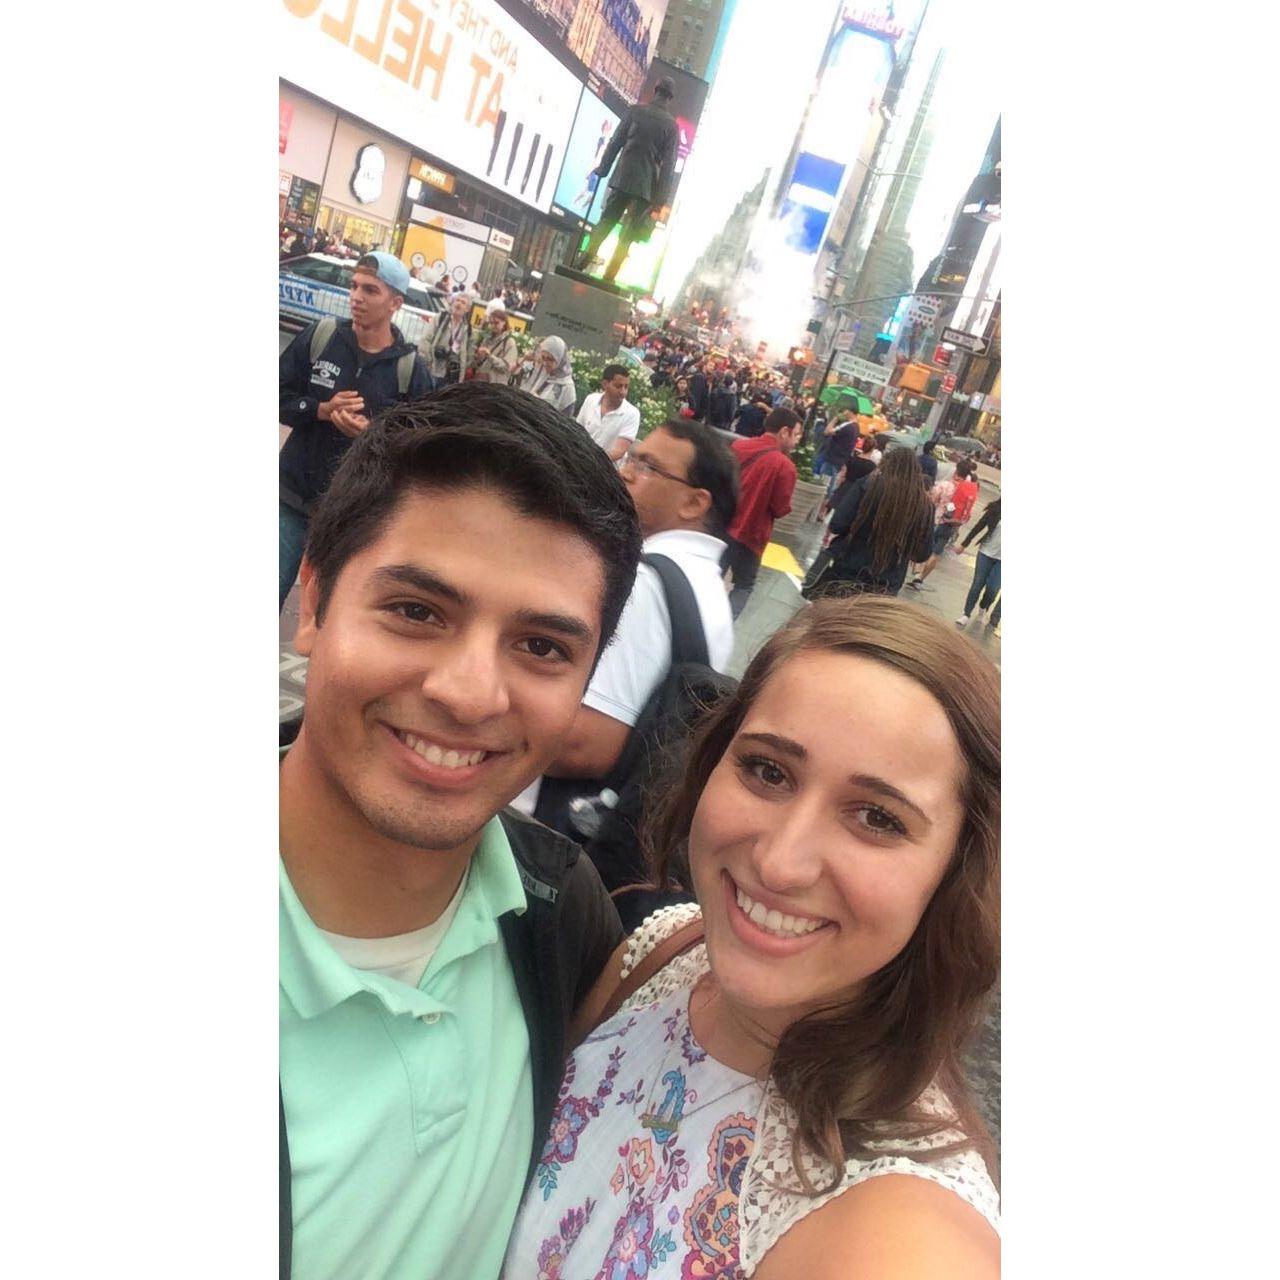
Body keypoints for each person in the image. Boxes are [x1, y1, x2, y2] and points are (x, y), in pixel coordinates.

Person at [503, 596, 1000, 1279]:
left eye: (877, 818)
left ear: (959, 871)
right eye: (768, 770)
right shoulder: (664, 953)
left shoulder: (902, 1238)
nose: (779, 862)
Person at [279, 383, 645, 1280]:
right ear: (313, 603)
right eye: (416, 611)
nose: (470, 692)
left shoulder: (558, 908)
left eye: (542, 647)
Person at [520, 421, 739, 864]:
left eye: (648, 466)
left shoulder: (646, 581)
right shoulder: (706, 584)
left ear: (695, 502)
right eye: (632, 458)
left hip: (543, 828)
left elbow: (587, 744)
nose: (626, 472)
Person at [279, 251, 432, 611]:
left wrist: (371, 437)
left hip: (354, 520)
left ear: (395, 303)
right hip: (291, 500)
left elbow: (423, 450)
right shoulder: (322, 337)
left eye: (370, 290)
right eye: (353, 286)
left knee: (334, 623)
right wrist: (319, 409)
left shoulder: (410, 370)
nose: (356, 297)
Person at [576, 77, 679, 283]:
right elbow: (669, 165)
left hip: (623, 176)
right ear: (670, 98)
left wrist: (603, 168)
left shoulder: (635, 112)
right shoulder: (671, 125)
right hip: (645, 187)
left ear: (655, 90)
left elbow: (615, 142)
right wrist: (660, 199)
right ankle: (610, 275)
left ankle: (584, 260)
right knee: (629, 233)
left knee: (606, 221)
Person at [810, 447, 936, 598]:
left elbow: (837, 524)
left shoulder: (868, 485)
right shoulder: (924, 506)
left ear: (885, 466)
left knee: (832, 619)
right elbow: (922, 554)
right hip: (886, 583)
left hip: (848, 569)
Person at [721, 407, 803, 619]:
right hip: (751, 535)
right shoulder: (785, 466)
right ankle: (721, 628)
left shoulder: (739, 446)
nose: (796, 442)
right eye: (796, 435)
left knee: (711, 575)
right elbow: (780, 507)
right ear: (784, 432)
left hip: (722, 523)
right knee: (744, 585)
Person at [910, 459, 980, 589]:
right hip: (950, 525)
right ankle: (920, 578)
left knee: (926, 546)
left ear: (956, 471)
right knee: (936, 553)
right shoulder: (968, 489)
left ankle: (917, 571)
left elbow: (932, 499)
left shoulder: (945, 485)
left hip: (936, 520)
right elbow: (968, 511)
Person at [576, 363, 641, 461]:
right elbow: (577, 430)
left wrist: (591, 461)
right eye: (618, 386)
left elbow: (619, 451)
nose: (623, 391)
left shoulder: (632, 414)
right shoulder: (590, 400)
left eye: (626, 387)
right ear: (605, 384)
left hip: (607, 470)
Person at [954, 497, 1002, 630]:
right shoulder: (996, 509)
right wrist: (964, 544)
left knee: (993, 589)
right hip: (986, 552)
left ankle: (983, 606)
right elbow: (978, 526)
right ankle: (966, 613)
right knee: (977, 584)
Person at [418, 293, 473, 387]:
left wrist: (461, 373)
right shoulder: (440, 318)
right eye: (457, 300)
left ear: (467, 309)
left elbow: (468, 353)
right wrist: (427, 361)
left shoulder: (467, 328)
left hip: (451, 374)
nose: (458, 304)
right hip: (434, 368)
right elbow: (425, 340)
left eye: (463, 302)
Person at [524, 336, 577, 413]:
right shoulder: (543, 374)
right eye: (543, 357)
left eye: (550, 359)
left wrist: (538, 403)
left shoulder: (567, 388)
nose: (545, 363)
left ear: (560, 359)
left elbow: (565, 420)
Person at [470, 300, 519, 384]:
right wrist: (477, 357)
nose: (493, 326)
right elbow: (478, 363)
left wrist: (489, 356)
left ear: (504, 323)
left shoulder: (509, 342)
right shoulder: (487, 339)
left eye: (496, 323)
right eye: (491, 323)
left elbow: (506, 367)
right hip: (480, 382)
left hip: (495, 385)